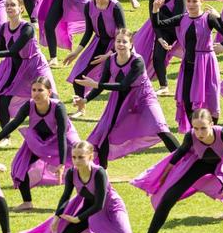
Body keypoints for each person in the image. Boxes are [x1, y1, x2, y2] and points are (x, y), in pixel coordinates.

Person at [133, 108, 223, 233]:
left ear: (211, 124)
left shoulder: (222, 133)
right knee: (168, 198)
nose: (199, 133)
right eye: (196, 128)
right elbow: (180, 153)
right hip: (200, 163)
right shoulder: (191, 136)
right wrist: (164, 175)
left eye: (203, 128)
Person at [19, 140, 150, 233]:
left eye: (81, 157)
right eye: (74, 157)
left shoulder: (99, 173)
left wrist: (78, 218)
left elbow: (100, 204)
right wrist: (57, 217)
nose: (76, 161)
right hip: (89, 207)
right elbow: (65, 196)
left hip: (111, 208)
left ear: (90, 156)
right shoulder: (71, 173)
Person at [75, 29, 178, 166]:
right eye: (118, 41)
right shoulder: (110, 60)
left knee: (160, 128)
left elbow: (124, 85)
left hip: (143, 97)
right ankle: (101, 170)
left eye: (124, 42)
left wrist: (95, 83)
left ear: (131, 44)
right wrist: (85, 99)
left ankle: (182, 160)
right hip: (120, 99)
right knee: (105, 132)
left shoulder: (138, 61)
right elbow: (102, 86)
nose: (121, 44)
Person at [0, 0, 55, 129]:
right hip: (14, 66)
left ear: (21, 9)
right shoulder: (4, 28)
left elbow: (13, 51)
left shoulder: (27, 28)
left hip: (34, 65)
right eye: (7, 5)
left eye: (13, 5)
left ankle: (58, 126)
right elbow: (2, 48)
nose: (9, 7)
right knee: (3, 99)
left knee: (51, 98)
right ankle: (6, 136)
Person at [153, 0, 223, 131]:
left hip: (205, 64)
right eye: (188, 1)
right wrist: (155, 9)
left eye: (195, 1)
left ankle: (213, 130)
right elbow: (159, 24)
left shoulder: (208, 18)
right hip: (188, 65)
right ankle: (195, 131)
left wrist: (219, 17)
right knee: (187, 100)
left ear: (201, 1)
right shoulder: (183, 18)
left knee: (210, 98)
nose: (191, 4)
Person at [0, 77, 79, 210]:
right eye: (34, 90)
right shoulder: (29, 105)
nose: (36, 93)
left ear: (49, 92)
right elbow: (15, 122)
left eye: (40, 90)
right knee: (19, 167)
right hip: (38, 142)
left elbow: (62, 134)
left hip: (62, 140)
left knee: (81, 164)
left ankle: (92, 193)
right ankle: (27, 202)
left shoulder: (58, 107)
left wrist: (62, 164)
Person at [65, 0, 126, 104]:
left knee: (122, 80)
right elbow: (88, 32)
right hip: (97, 44)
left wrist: (109, 55)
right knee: (79, 78)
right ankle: (81, 107)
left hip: (117, 46)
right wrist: (76, 52)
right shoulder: (89, 6)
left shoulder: (115, 7)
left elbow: (123, 34)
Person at [133, 0, 185, 95]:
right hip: (160, 28)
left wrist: (158, 14)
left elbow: (178, 20)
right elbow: (153, 18)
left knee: (191, 56)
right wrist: (160, 38)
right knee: (157, 56)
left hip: (178, 29)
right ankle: (163, 86)